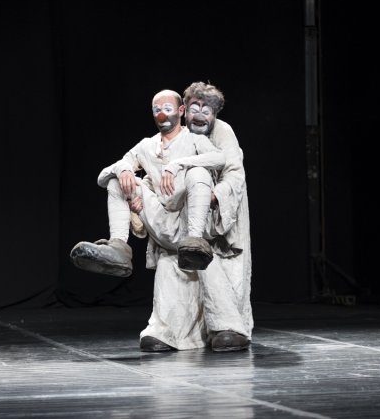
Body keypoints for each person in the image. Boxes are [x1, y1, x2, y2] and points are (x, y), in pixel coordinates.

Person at [132, 82, 253, 353]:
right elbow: (156, 173)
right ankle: (166, 330)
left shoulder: (222, 132)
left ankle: (227, 326)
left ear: (215, 114)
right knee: (172, 260)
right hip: (182, 211)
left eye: (206, 110)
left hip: (217, 216)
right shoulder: (177, 137)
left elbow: (234, 172)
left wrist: (214, 195)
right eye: (194, 109)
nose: (199, 116)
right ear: (184, 111)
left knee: (212, 262)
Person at [70, 88, 224, 287]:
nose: (161, 115)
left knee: (199, 173)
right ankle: (119, 248)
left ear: (181, 111)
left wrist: (178, 164)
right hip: (159, 219)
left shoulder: (195, 139)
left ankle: (195, 243)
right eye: (157, 110)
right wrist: (124, 169)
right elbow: (102, 178)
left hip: (188, 224)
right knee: (117, 179)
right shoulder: (146, 145)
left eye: (167, 108)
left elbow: (220, 158)